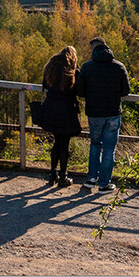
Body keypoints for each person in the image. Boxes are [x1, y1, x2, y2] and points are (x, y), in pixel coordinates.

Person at [74, 37, 131, 192]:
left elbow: (79, 91)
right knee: (109, 149)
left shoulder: (87, 67)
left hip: (94, 113)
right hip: (112, 113)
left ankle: (91, 179)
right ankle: (104, 184)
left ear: (94, 49)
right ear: (107, 47)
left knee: (95, 145)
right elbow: (126, 91)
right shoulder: (119, 67)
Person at [38, 45, 82, 187]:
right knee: (64, 144)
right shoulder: (73, 70)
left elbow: (44, 85)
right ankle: (63, 175)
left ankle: (52, 174)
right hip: (67, 110)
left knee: (57, 141)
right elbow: (80, 90)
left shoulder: (51, 66)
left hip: (51, 108)